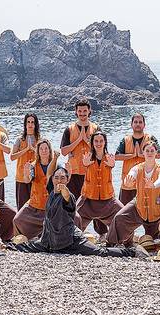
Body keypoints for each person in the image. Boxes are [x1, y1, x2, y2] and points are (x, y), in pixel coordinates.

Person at [15, 166, 149, 258]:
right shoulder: (51, 194)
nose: (59, 181)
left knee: (99, 252)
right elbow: (49, 172)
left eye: (62, 178)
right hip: (50, 241)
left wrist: (65, 190)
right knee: (26, 247)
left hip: (71, 240)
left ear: (67, 180)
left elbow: (67, 197)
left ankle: (131, 252)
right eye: (56, 178)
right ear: (52, 179)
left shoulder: (68, 196)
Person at [60, 99, 107, 237]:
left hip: (91, 171)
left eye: (85, 111)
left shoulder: (96, 128)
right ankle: (74, 230)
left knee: (96, 202)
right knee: (74, 203)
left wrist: (86, 140)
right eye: (79, 111)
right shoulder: (69, 129)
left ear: (89, 111)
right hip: (74, 172)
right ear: (76, 112)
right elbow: (63, 151)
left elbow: (101, 149)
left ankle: (102, 233)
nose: (82, 113)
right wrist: (78, 140)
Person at [108, 141, 160, 246]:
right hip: (139, 206)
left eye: (152, 151)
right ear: (143, 153)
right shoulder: (137, 168)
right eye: (147, 151)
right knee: (119, 217)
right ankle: (111, 243)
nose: (149, 153)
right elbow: (131, 174)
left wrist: (154, 185)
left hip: (157, 209)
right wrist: (127, 181)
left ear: (156, 153)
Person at [76, 131, 121, 238]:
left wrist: (112, 165)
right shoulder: (88, 157)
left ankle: (119, 240)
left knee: (123, 216)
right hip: (88, 198)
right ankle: (72, 241)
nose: (98, 143)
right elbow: (84, 164)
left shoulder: (109, 157)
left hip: (108, 198)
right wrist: (85, 164)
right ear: (92, 143)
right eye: (96, 141)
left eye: (101, 141)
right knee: (73, 217)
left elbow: (112, 164)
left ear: (105, 142)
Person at [115, 113, 160, 205]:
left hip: (146, 184)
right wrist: (132, 155)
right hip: (128, 184)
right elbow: (116, 157)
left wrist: (141, 154)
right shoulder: (125, 139)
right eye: (135, 122)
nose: (138, 124)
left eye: (140, 122)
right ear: (131, 124)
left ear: (144, 125)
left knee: (147, 212)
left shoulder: (150, 138)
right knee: (124, 214)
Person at [13, 139, 55, 239]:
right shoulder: (33, 166)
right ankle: (21, 240)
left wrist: (69, 174)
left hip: (52, 204)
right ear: (38, 151)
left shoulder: (55, 165)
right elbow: (27, 180)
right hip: (35, 203)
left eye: (46, 148)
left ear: (50, 151)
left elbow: (63, 181)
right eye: (41, 149)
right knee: (17, 220)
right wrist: (26, 173)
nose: (44, 151)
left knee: (76, 218)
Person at [10, 113, 40, 209]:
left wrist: (33, 149)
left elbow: (47, 156)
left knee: (36, 206)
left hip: (37, 178)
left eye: (32, 122)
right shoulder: (19, 140)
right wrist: (26, 149)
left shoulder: (40, 140)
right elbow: (12, 157)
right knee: (22, 207)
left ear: (36, 124)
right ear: (25, 124)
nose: (30, 124)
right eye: (28, 122)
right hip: (21, 178)